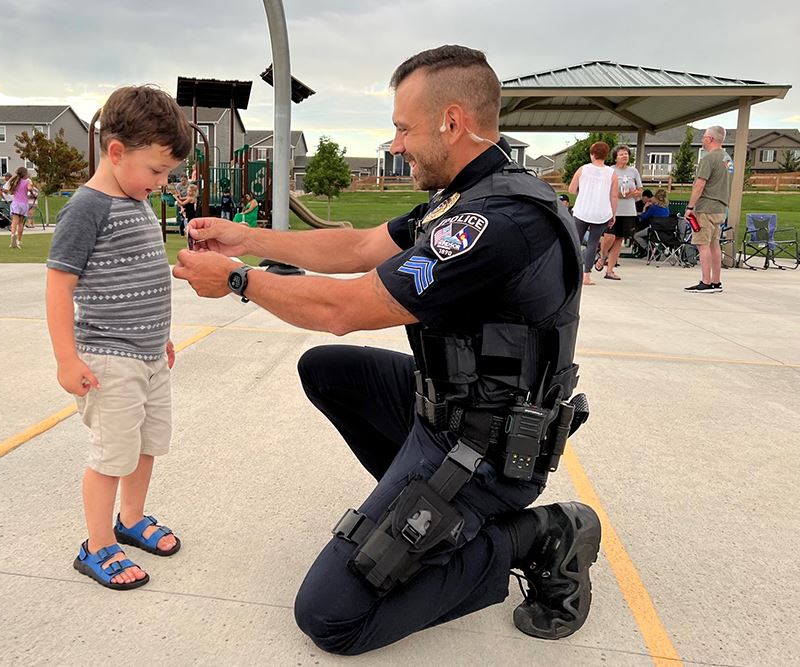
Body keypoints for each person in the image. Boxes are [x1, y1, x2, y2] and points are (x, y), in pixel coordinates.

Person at [174, 45, 600, 655]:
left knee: (330, 617)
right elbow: (360, 247)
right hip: (452, 413)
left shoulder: (496, 222)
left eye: (404, 128)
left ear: (452, 122)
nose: (396, 143)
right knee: (329, 373)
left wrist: (238, 279)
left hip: (487, 446)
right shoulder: (465, 194)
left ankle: (537, 535)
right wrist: (246, 237)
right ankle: (427, 519)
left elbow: (343, 309)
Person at [45, 84, 193, 590]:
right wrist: (67, 359)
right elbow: (59, 285)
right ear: (115, 152)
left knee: (146, 446)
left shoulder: (138, 198)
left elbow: (142, 280)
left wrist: (162, 335)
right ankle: (97, 544)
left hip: (149, 355)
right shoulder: (87, 208)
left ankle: (130, 520)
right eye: (156, 170)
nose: (161, 181)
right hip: (108, 358)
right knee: (111, 455)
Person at [684, 126, 731, 293]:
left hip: (706, 207)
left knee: (702, 244)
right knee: (714, 244)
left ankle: (706, 281)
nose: (702, 140)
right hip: (720, 207)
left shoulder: (708, 159)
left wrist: (690, 207)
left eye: (704, 137)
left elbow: (700, 184)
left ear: (710, 139)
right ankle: (716, 281)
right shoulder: (726, 158)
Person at [568, 141, 618, 285]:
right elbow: (614, 196)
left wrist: (583, 192)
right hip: (601, 213)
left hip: (582, 210)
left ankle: (571, 272)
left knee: (575, 241)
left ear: (592, 154)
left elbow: (571, 189)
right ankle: (586, 276)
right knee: (593, 243)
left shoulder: (583, 169)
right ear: (606, 155)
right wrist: (613, 214)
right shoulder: (611, 173)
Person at [596, 145, 642, 280]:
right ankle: (602, 255)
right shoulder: (609, 171)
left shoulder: (633, 171)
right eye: (621, 154)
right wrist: (619, 195)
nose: (624, 156)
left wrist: (634, 193)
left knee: (619, 240)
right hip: (612, 209)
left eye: (626, 154)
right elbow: (604, 189)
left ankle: (610, 270)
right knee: (609, 236)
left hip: (628, 211)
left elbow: (640, 190)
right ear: (615, 156)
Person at [632, 189, 669, 256]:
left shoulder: (653, 208)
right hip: (665, 231)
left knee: (636, 236)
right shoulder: (666, 208)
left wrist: (645, 208)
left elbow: (643, 217)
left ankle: (650, 249)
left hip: (654, 231)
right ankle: (653, 250)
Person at [5, 166, 32, 248]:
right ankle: (18, 241)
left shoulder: (15, 182)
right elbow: (30, 189)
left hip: (16, 203)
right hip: (24, 204)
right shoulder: (26, 182)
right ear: (25, 174)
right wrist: (30, 186)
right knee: (21, 223)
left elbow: (10, 191)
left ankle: (13, 236)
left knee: (14, 222)